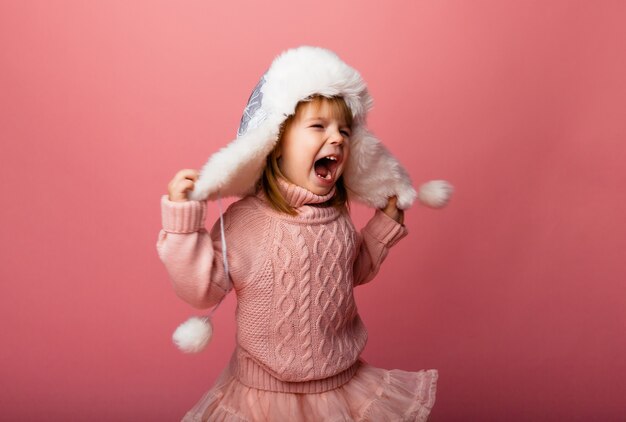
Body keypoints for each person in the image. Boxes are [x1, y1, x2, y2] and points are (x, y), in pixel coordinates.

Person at [157, 46, 450, 421]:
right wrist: (182, 220)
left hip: (339, 386)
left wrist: (384, 225)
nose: (339, 139)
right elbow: (200, 290)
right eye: (319, 126)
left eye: (344, 130)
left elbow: (353, 270)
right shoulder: (245, 221)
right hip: (262, 396)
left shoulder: (337, 218)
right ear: (276, 142)